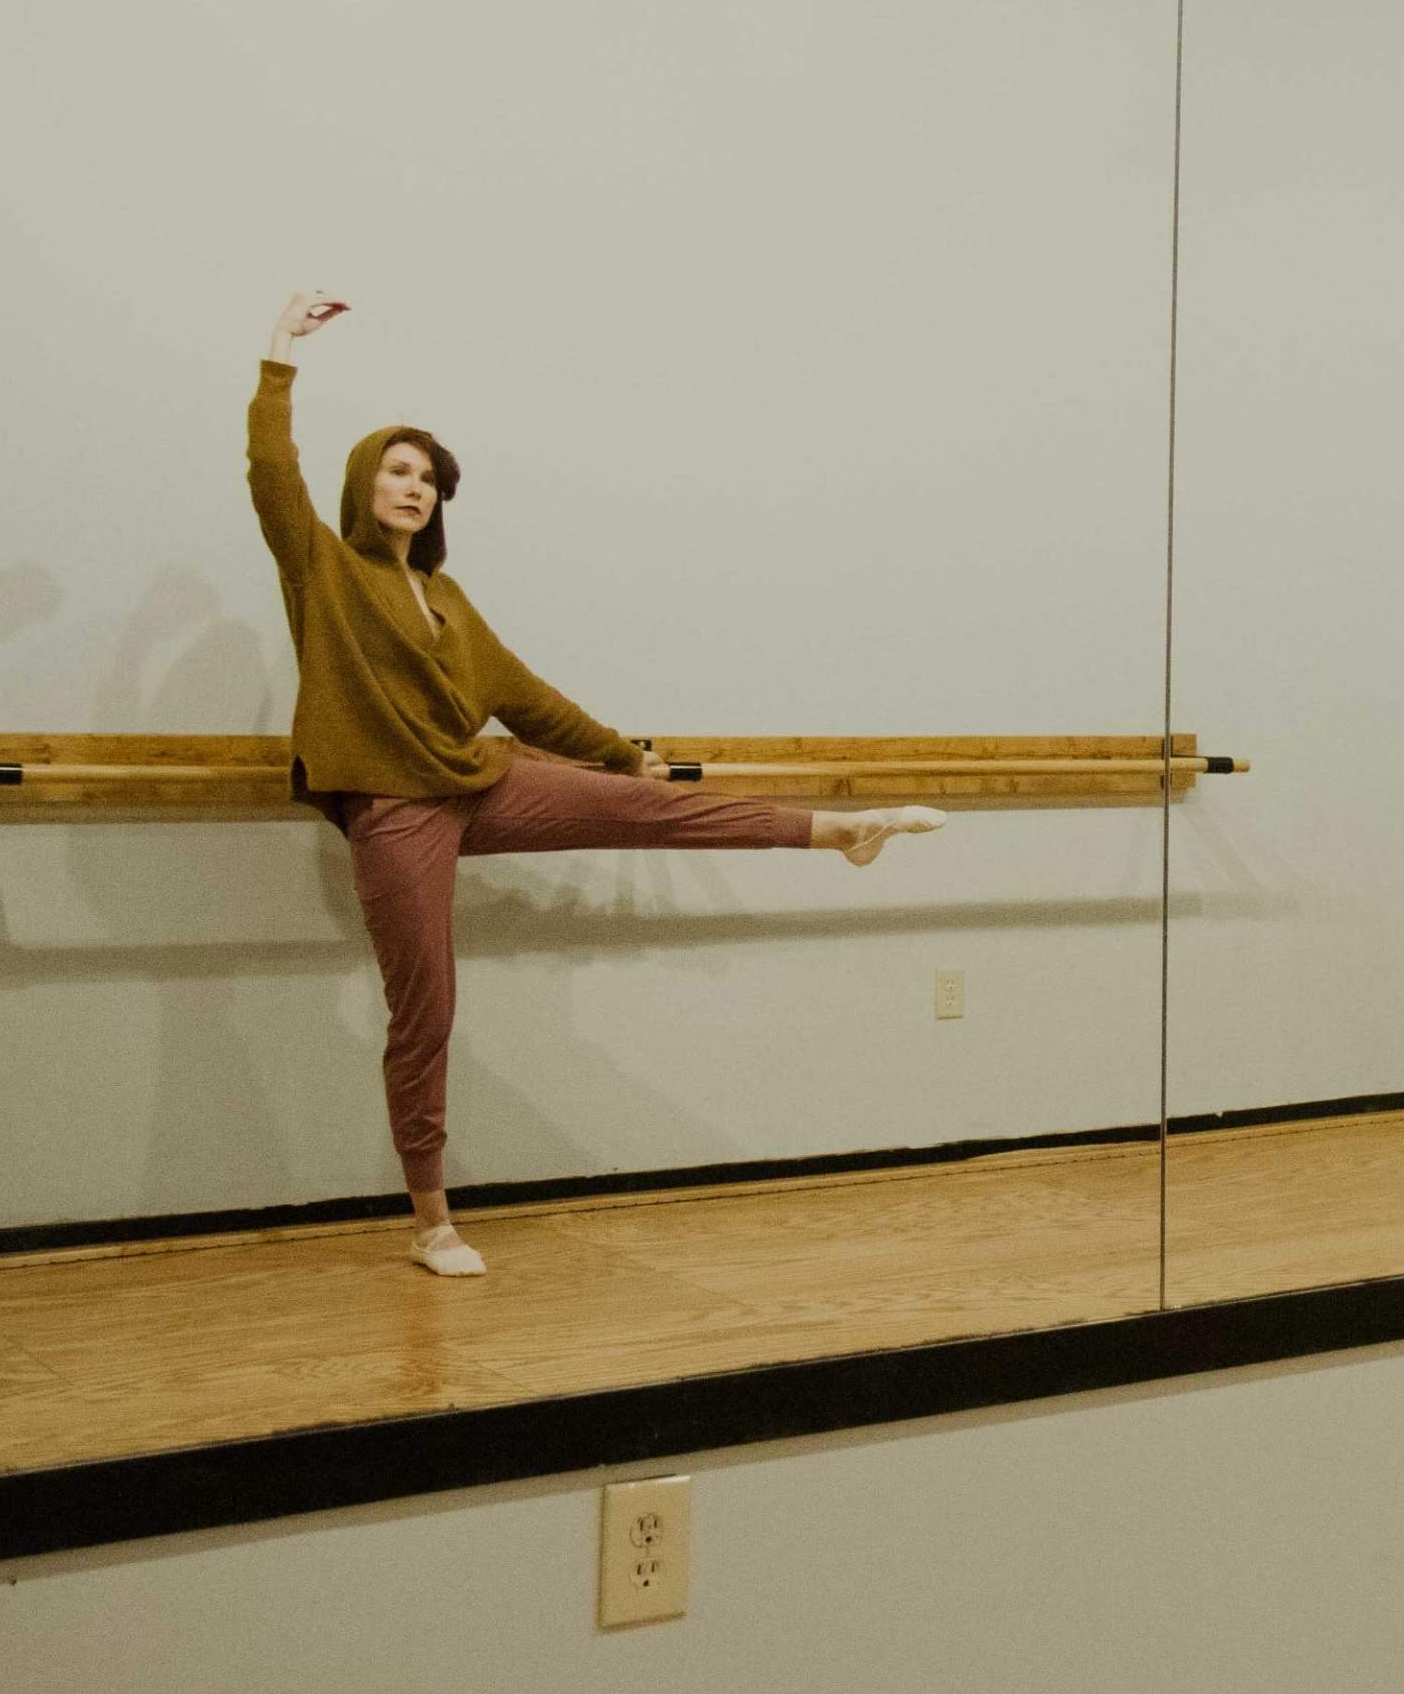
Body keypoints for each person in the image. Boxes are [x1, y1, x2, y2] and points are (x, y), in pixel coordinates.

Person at [250, 290, 941, 1276]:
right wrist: (281, 354)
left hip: (477, 781)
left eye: (429, 479)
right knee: (428, 1010)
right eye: (397, 472)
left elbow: (524, 697)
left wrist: (621, 756)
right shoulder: (324, 572)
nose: (413, 489)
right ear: (364, 483)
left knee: (652, 807)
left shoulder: (444, 599)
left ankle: (841, 833)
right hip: (398, 811)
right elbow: (272, 474)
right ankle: (432, 1220)